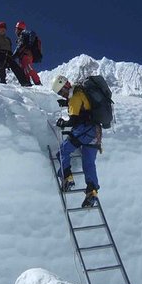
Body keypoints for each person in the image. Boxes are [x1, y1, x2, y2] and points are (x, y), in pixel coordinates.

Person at [52, 75, 102, 208]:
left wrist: (63, 122)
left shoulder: (74, 97)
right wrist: (66, 103)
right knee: (89, 163)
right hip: (96, 132)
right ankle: (92, 192)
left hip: (85, 130)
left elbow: (73, 120)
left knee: (63, 151)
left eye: (61, 92)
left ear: (64, 88)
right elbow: (83, 107)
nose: (62, 95)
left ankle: (67, 178)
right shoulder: (80, 92)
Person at [0, 22, 31, 86]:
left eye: (4, 29)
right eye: (1, 29)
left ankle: (24, 82)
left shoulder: (8, 39)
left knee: (16, 68)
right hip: (0, 55)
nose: (3, 30)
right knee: (1, 69)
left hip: (8, 56)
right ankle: (2, 82)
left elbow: (10, 49)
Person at [13, 21, 42, 86]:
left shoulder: (23, 33)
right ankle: (28, 84)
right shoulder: (20, 38)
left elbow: (32, 33)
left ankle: (38, 83)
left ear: (19, 28)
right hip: (22, 57)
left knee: (29, 68)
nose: (15, 30)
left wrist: (30, 44)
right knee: (25, 71)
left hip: (26, 55)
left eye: (16, 28)